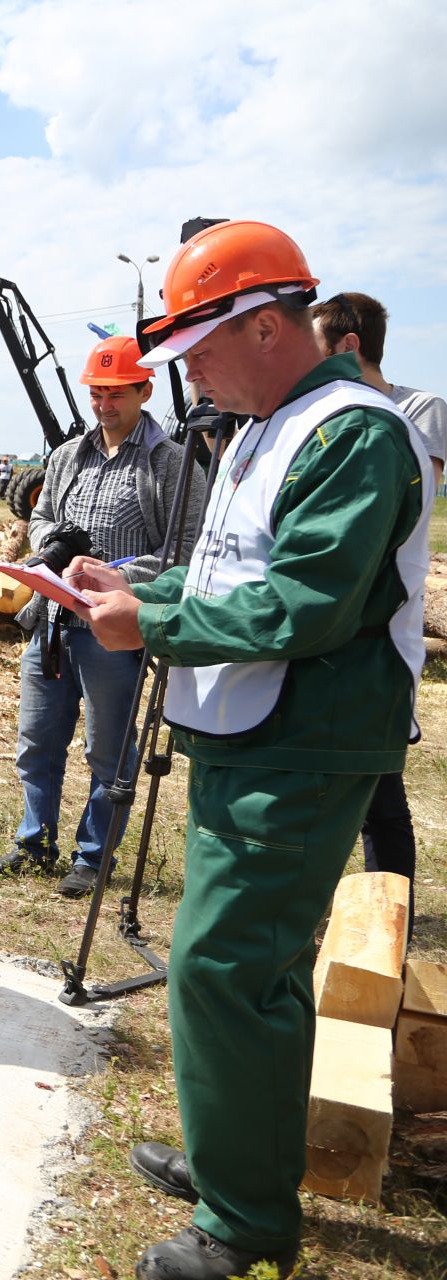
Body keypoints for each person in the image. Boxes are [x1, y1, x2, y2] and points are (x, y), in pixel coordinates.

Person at [73, 221, 429, 1280]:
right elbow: (229, 574)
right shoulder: (271, 425)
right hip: (250, 725)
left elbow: (311, 602)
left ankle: (247, 1225)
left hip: (306, 737)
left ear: (266, 326)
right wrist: (143, 589)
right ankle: (237, 1156)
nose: (190, 376)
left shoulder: (351, 434)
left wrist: (156, 627)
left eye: (200, 352)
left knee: (227, 966)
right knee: (231, 965)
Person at [0, 335, 205, 897]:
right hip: (53, 626)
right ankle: (34, 843)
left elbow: (186, 547)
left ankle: (94, 856)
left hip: (115, 632)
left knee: (107, 750)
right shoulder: (66, 457)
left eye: (116, 393)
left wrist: (117, 573)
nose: (104, 405)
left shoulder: (170, 463)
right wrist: (53, 544)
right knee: (37, 742)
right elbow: (40, 516)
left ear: (144, 390)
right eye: (97, 393)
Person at [308, 290, 445, 932]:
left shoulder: (417, 411)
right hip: (329, 644)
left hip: (382, 637)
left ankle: (388, 921)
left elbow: (406, 506)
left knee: (381, 795)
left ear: (347, 345)